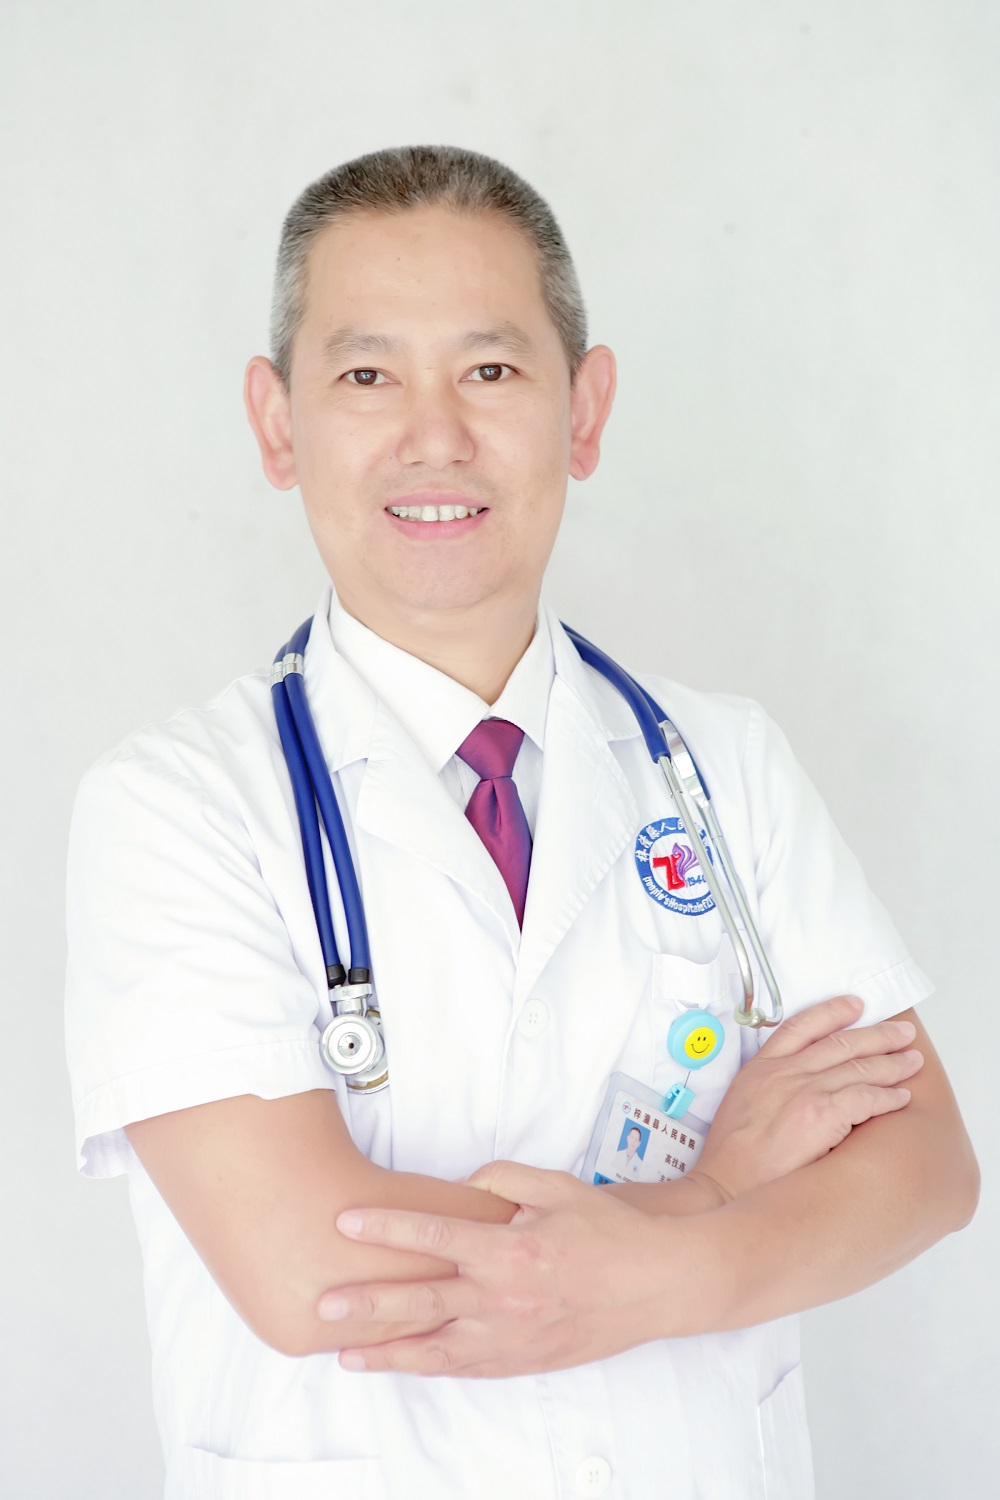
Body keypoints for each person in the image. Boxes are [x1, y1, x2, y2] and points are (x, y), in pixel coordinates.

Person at [64, 144, 978, 1500]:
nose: (435, 435)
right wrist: (712, 1201)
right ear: (277, 423)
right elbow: (310, 1267)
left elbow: (925, 1166)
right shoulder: (177, 805)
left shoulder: (722, 764)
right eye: (366, 376)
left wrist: (654, 1249)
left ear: (584, 411)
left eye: (490, 370)